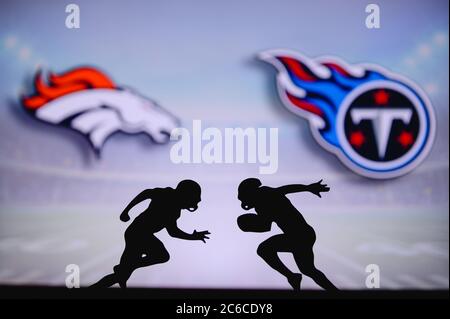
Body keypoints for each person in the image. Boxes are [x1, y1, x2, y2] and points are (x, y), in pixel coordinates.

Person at [91, 179, 210, 288]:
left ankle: (123, 270)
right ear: (184, 195)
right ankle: (126, 267)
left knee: (121, 275)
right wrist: (126, 211)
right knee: (161, 256)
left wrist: (192, 237)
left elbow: (173, 232)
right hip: (138, 234)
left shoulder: (174, 208)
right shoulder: (166, 195)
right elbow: (146, 193)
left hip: (139, 234)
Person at [237, 178, 338, 291]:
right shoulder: (261, 202)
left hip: (298, 235)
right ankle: (334, 292)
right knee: (308, 270)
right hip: (301, 234)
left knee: (264, 249)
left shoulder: (264, 195)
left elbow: (285, 189)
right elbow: (266, 226)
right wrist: (307, 188)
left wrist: (308, 187)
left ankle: (292, 277)